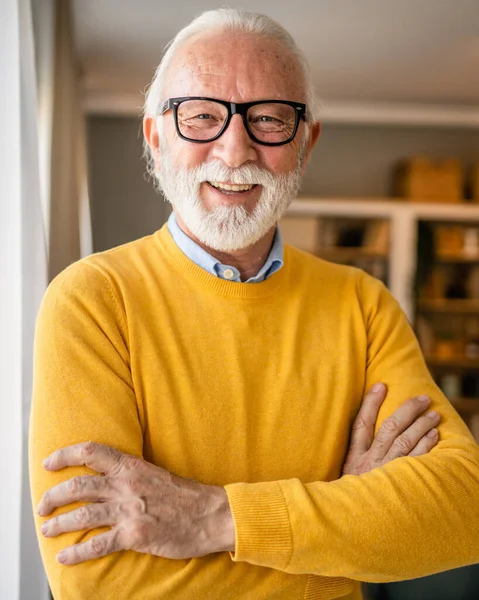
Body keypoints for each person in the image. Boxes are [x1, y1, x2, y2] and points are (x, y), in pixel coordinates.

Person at [29, 8, 479, 600]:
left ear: (306, 143)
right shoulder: (91, 301)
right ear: (155, 135)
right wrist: (343, 528)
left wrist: (214, 519)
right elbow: (98, 579)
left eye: (268, 118)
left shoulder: (363, 306)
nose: (234, 149)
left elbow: (461, 511)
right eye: (202, 117)